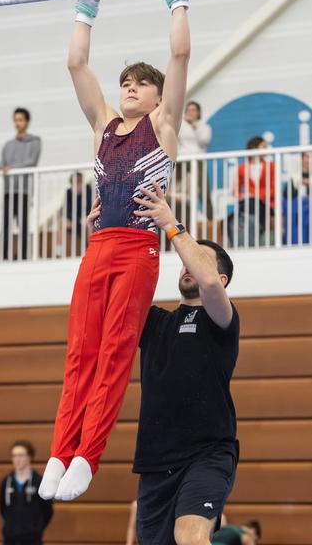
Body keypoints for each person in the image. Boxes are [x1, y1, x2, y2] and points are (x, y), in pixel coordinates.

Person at [39, 0, 191, 502]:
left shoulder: (164, 126)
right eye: (126, 81)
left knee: (113, 353)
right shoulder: (102, 123)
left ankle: (87, 456)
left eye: (140, 84)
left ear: (157, 98)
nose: (130, 88)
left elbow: (179, 59)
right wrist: (86, 8)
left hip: (137, 251)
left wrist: (176, 0)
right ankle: (59, 452)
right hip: (98, 248)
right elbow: (76, 63)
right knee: (79, 351)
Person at [123, 181, 239, 545]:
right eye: (187, 259)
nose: (189, 265)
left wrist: (171, 224)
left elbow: (206, 278)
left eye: (199, 259)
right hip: (156, 460)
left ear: (221, 280)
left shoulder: (221, 318)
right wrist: (99, 236)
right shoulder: (155, 321)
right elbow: (115, 290)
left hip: (207, 454)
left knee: (190, 538)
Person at [0, 108, 41, 260]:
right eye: (15, 120)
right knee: (6, 224)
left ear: (27, 122)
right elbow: (4, 162)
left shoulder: (35, 141)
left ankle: (24, 256)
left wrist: (11, 168)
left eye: (20, 120)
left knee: (23, 224)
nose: (17, 123)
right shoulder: (8, 144)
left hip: (24, 189)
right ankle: (3, 256)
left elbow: (31, 162)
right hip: (9, 189)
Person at [0, 440, 53, 545]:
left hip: (33, 540)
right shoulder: (7, 482)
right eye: (14, 456)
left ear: (30, 457)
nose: (17, 459)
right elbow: (3, 508)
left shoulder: (39, 482)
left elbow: (48, 511)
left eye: (20, 455)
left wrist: (35, 528)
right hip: (10, 539)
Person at [228, 136, 275, 247]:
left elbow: (273, 189)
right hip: (249, 205)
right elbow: (235, 191)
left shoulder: (271, 166)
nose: (266, 149)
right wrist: (242, 196)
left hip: (266, 204)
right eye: (263, 146)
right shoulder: (242, 168)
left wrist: (255, 196)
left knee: (253, 203)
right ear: (254, 148)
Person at [177, 101, 213, 219]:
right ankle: (181, 219)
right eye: (188, 110)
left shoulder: (204, 127)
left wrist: (195, 125)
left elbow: (204, 140)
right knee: (179, 191)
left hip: (197, 161)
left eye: (193, 110)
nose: (190, 112)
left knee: (203, 191)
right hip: (182, 162)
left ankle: (210, 219)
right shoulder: (180, 126)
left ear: (198, 113)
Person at [55, 172, 93, 257]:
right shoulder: (69, 192)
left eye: (79, 183)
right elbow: (66, 211)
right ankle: (58, 252)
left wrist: (86, 217)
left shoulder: (88, 190)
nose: (78, 186)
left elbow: (91, 206)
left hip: (85, 221)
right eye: (75, 184)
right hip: (74, 221)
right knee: (61, 222)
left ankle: (91, 250)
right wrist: (78, 220)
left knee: (89, 222)